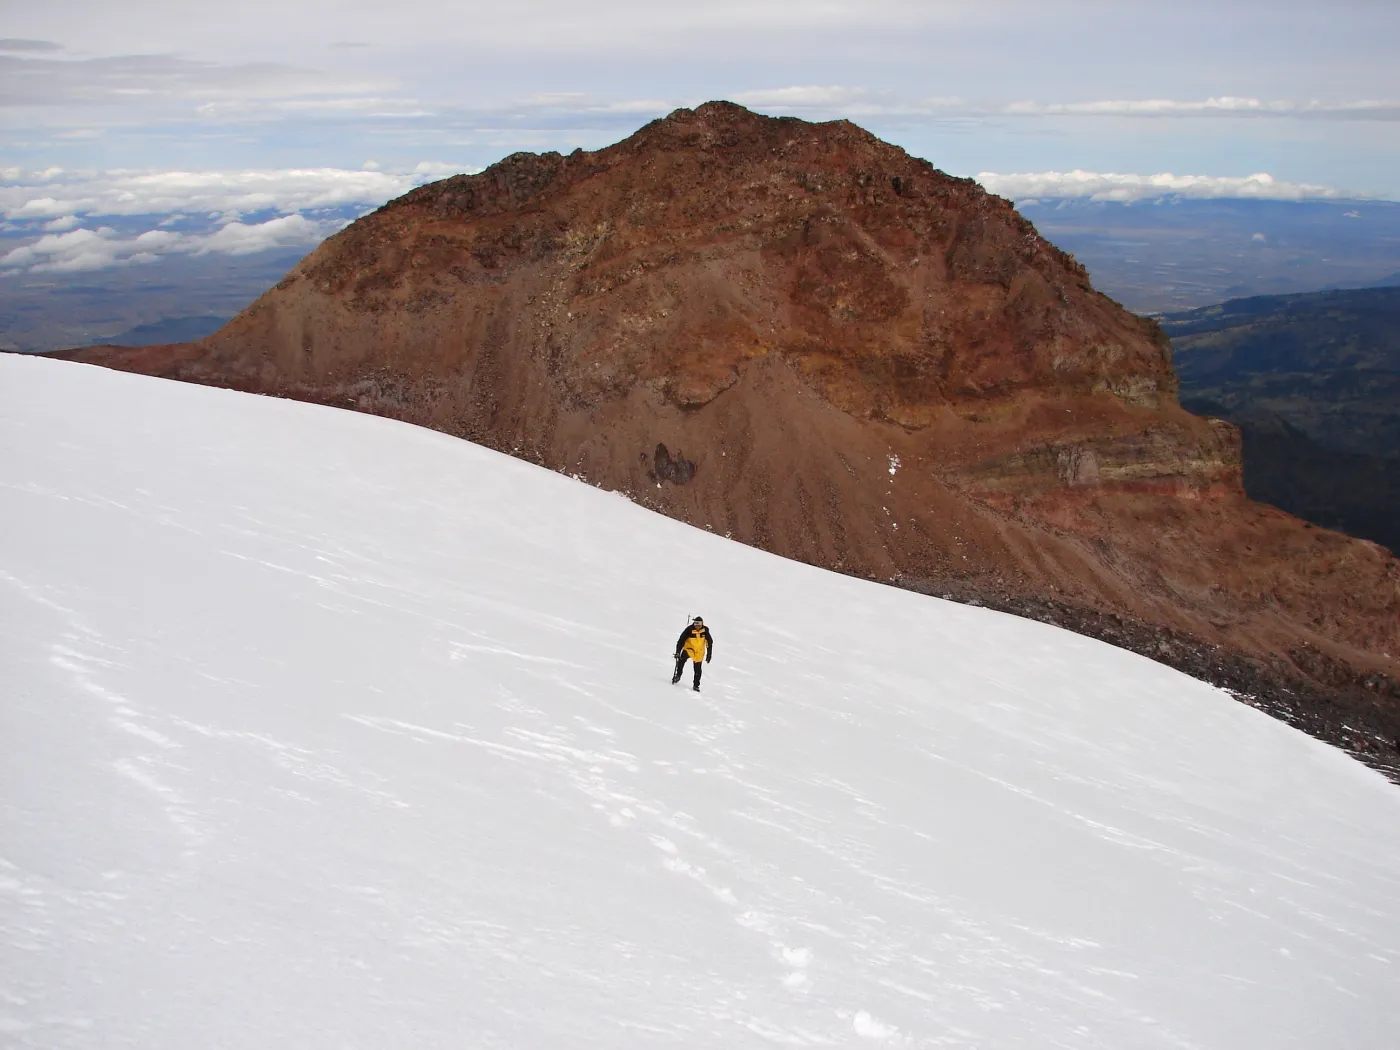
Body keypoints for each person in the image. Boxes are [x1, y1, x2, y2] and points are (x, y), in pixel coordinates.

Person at [672, 616, 713, 691]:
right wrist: (678, 652)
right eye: (696, 623)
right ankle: (678, 676)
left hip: (699, 652)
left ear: (702, 624)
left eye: (699, 623)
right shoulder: (689, 630)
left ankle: (696, 685)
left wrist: (709, 654)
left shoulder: (705, 631)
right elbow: (681, 641)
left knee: (697, 670)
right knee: (681, 661)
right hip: (689, 649)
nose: (697, 625)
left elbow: (709, 643)